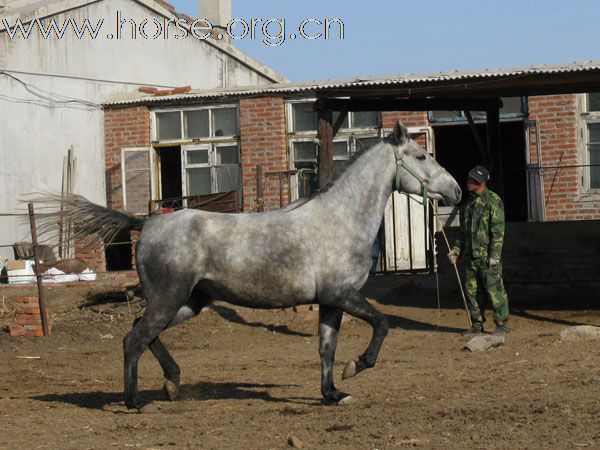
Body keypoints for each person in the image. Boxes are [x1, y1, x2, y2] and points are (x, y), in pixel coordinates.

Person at [447, 165, 510, 336]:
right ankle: (476, 323)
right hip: (470, 258)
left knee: (495, 291)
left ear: (480, 182)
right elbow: (463, 233)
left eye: (471, 180)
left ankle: (502, 324)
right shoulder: (468, 204)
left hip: (487, 258)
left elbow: (498, 231)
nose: (468, 183)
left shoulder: (493, 201)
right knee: (472, 293)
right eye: (468, 179)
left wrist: (495, 255)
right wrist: (456, 251)